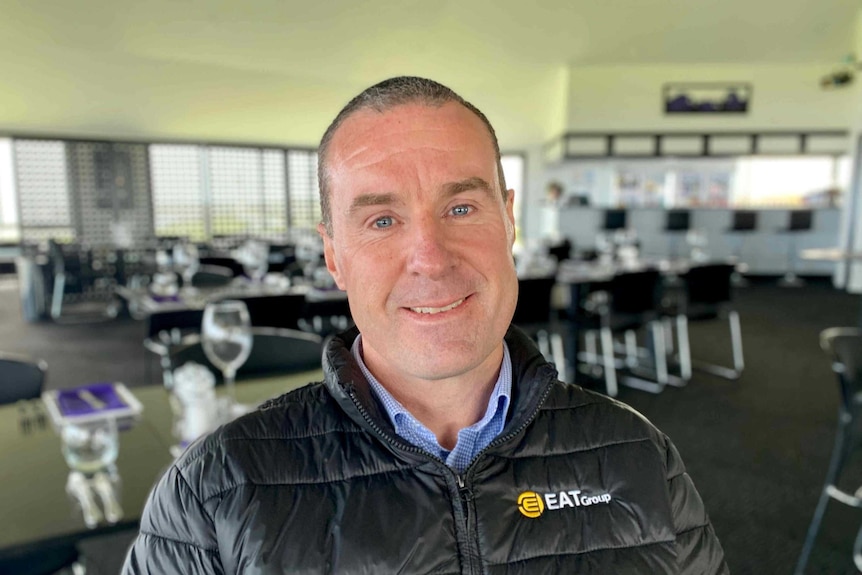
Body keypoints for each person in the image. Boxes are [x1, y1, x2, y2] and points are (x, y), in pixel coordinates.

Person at [123, 76, 728, 574]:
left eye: (461, 208)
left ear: (509, 220)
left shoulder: (638, 454)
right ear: (333, 256)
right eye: (382, 221)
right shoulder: (211, 493)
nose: (432, 259)